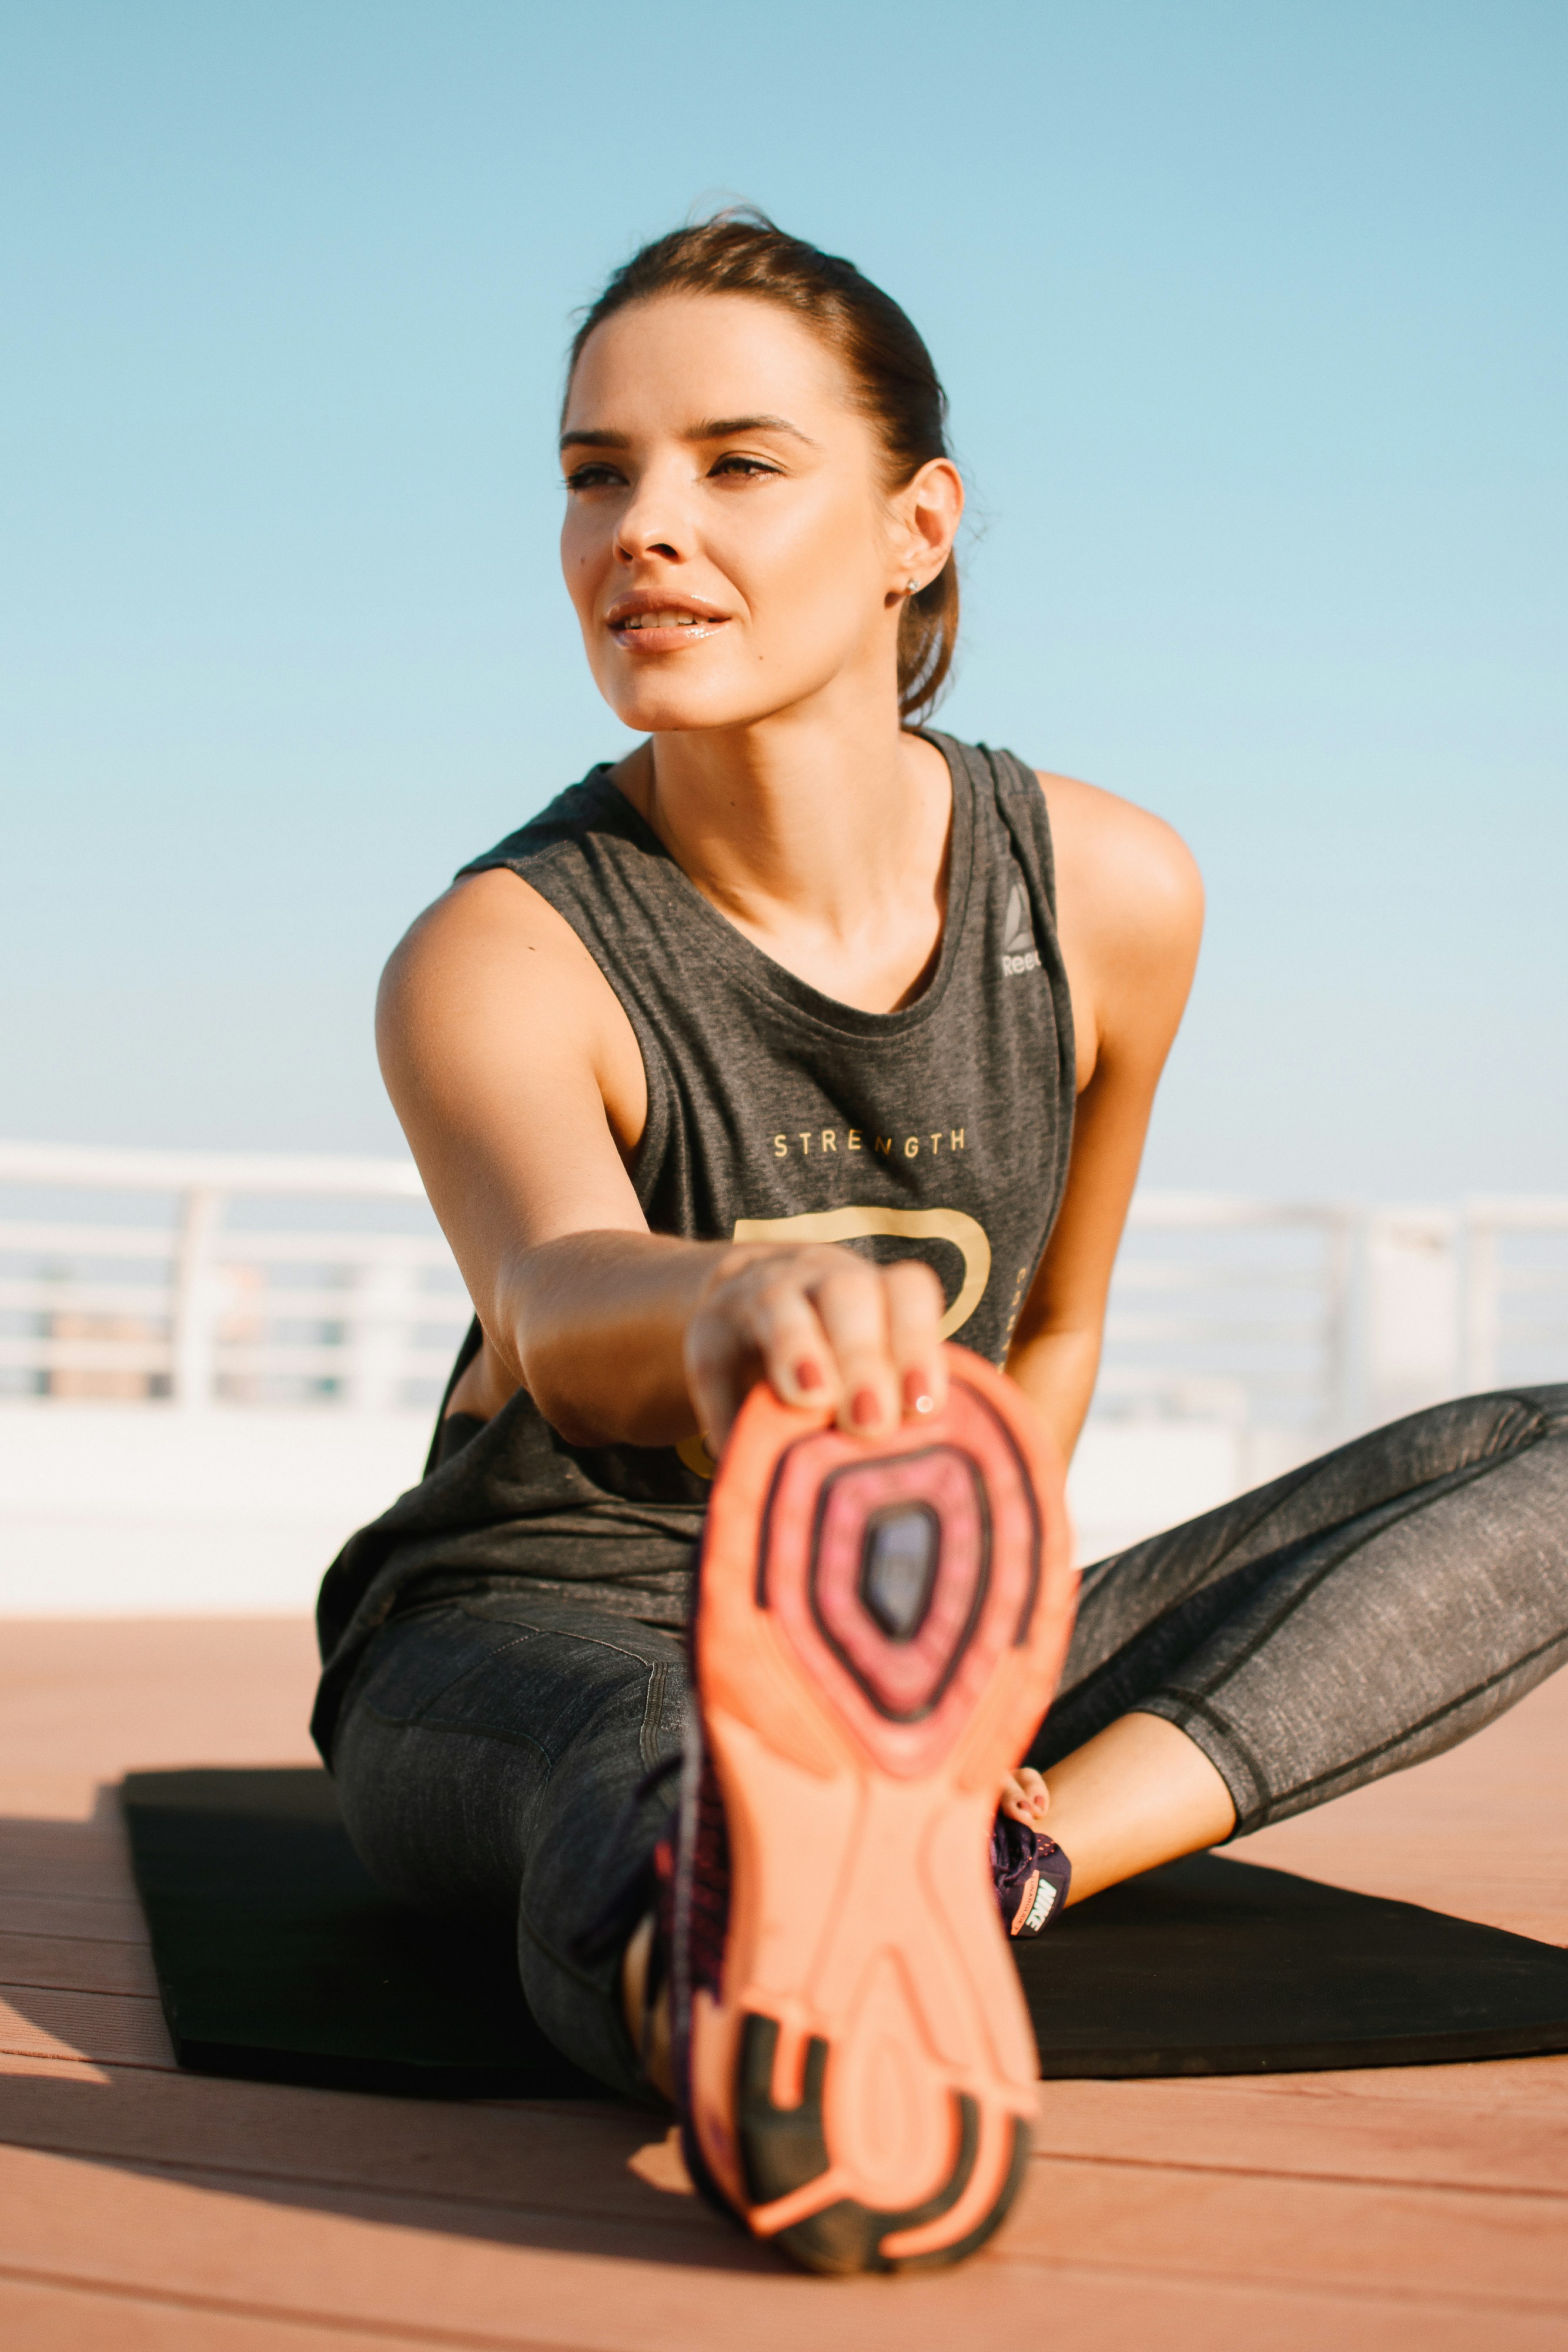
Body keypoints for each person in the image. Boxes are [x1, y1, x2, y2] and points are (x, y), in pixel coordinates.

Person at [313, 213, 1568, 2275]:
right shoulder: (501, 950)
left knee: (1530, 1448)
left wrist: (981, 1689)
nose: (642, 526)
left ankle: (1001, 1858)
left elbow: (1055, 1325)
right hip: (538, 1619)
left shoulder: (1108, 887)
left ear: (915, 525)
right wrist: (730, 1298)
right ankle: (740, 1976)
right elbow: (551, 1301)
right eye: (591, 472)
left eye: (735, 461)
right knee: (665, 1781)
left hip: (904, 1636)